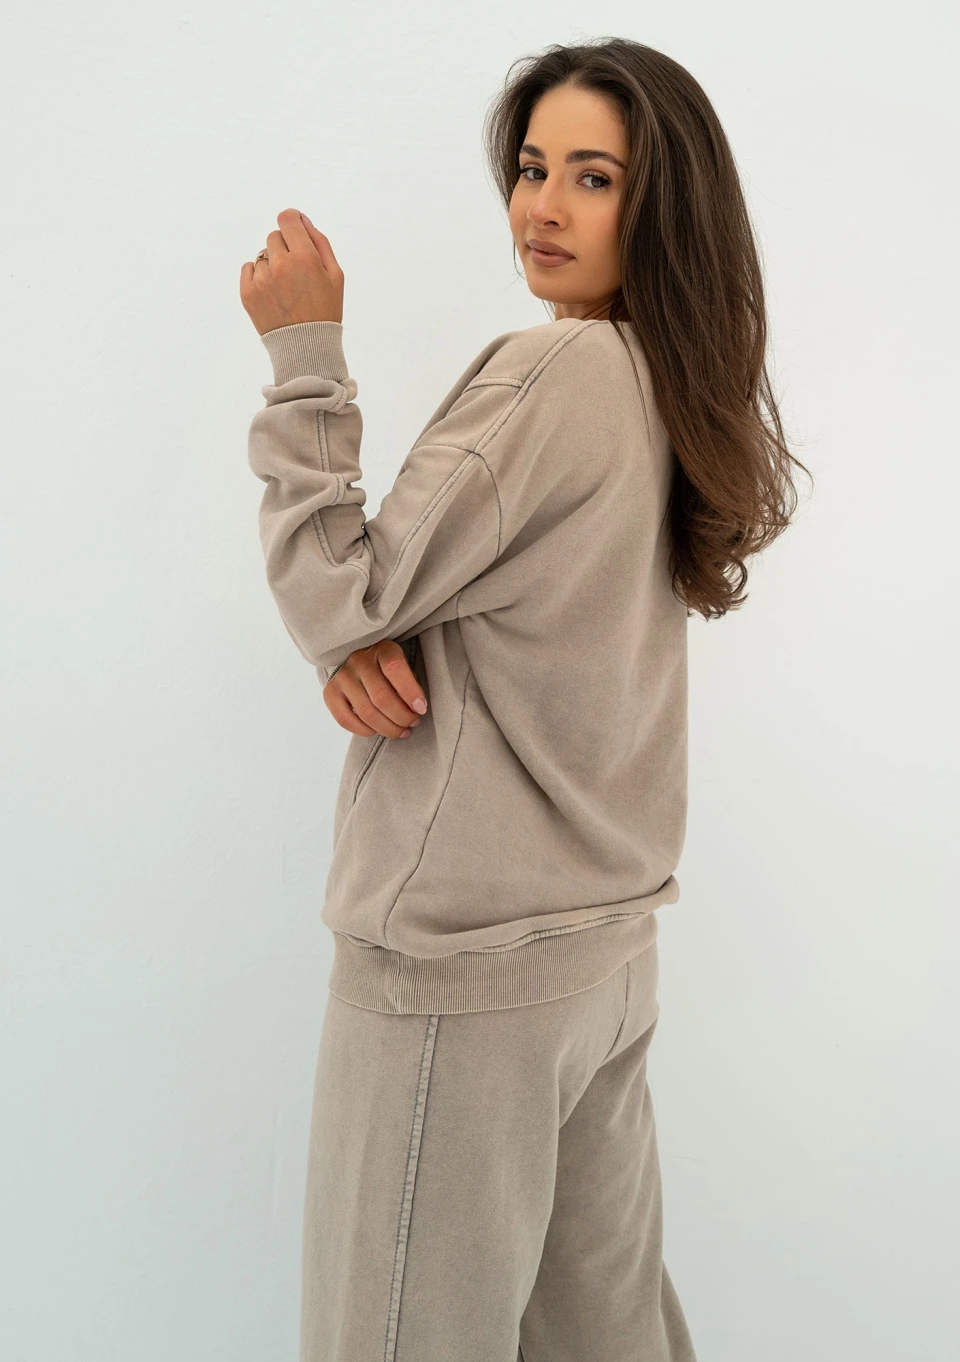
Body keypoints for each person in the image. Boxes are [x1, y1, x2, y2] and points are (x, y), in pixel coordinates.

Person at [240, 36, 810, 1362]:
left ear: (661, 207)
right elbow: (424, 608)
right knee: (607, 1339)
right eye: (534, 167)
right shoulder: (671, 386)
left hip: (464, 978)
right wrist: (363, 639)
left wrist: (303, 350)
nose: (543, 206)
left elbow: (346, 586)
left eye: (594, 178)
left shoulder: (559, 375)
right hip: (602, 960)